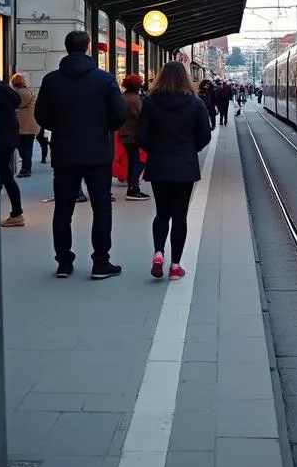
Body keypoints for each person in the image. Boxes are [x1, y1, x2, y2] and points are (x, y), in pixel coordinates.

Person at [34, 30, 127, 279]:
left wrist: (62, 126)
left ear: (66, 48)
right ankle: (100, 262)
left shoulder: (51, 80)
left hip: (64, 152)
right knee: (101, 208)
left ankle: (64, 262)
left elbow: (41, 117)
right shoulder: (104, 79)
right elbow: (119, 115)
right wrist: (101, 126)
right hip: (97, 152)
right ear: (88, 47)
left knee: (63, 210)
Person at [137, 61, 212, 281]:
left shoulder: (150, 103)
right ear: (185, 77)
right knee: (180, 216)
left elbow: (141, 136)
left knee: (161, 213)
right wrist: (190, 149)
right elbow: (205, 135)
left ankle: (158, 252)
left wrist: (156, 150)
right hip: (184, 166)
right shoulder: (195, 103)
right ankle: (175, 266)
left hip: (159, 165)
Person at [0, 76, 25, 228]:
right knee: (3, 175)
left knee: (4, 176)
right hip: (9, 138)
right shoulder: (6, 91)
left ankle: (16, 213)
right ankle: (16, 212)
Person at [119, 73, 149, 201]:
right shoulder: (135, 99)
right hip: (133, 133)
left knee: (133, 160)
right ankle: (133, 187)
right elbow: (141, 116)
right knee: (137, 161)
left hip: (124, 132)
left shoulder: (123, 97)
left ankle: (132, 185)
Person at [11, 73, 39, 177]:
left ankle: (25, 167)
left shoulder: (14, 94)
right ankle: (26, 168)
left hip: (18, 124)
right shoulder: (30, 92)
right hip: (31, 124)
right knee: (28, 146)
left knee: (20, 145)